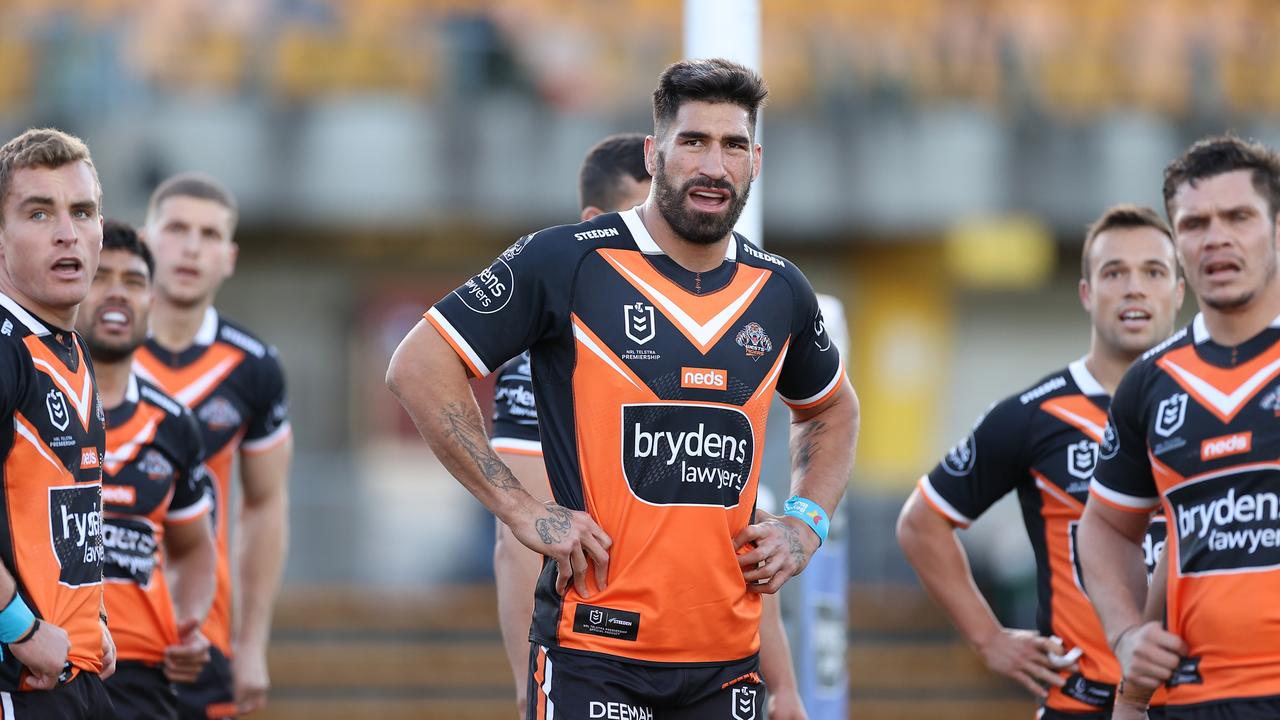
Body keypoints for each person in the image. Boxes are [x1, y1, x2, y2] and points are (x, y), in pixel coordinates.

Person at [389, 57, 858, 719]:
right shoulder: (567, 260)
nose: (712, 167)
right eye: (692, 141)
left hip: (727, 668)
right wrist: (521, 509)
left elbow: (833, 409)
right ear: (655, 150)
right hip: (592, 660)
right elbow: (418, 365)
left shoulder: (780, 290)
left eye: (731, 146)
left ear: (756, 160)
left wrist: (806, 525)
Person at [490, 133, 809, 719]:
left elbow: (733, 538)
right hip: (596, 655)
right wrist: (524, 681)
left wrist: (783, 684)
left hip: (718, 664)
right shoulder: (557, 357)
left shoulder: (744, 315)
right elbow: (522, 542)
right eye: (644, 216)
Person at [897, 204, 1184, 719]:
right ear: (1087, 293)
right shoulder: (1033, 414)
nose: (1134, 288)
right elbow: (921, 523)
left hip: (1204, 701)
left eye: (1154, 272)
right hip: (1084, 704)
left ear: (1179, 292)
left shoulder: (1219, 407)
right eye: (1114, 272)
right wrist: (988, 639)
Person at [1081, 135, 1280, 719]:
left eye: (1238, 216)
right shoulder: (1151, 383)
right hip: (1195, 701)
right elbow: (1104, 529)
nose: (1216, 236)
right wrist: (1125, 636)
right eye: (1194, 224)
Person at [133, 174, 292, 719]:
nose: (191, 247)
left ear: (229, 257)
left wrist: (251, 644)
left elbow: (265, 505)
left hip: (199, 635)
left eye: (208, 234)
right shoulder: (88, 352)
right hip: (91, 628)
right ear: (145, 240)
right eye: (176, 228)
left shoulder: (254, 367)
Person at [79, 221, 218, 719]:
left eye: (134, 282)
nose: (117, 294)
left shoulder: (176, 424)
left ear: (151, 303)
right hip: (46, 658)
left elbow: (195, 546)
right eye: (101, 276)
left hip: (143, 671)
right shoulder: (28, 395)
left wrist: (191, 622)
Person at [0, 127, 116, 716]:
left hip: (74, 673)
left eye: (83, 211)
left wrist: (89, 616)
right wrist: (20, 629)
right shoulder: (4, 350)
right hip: (20, 685)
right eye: (39, 213)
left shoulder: (61, 343)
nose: (67, 232)